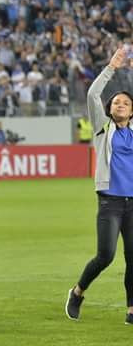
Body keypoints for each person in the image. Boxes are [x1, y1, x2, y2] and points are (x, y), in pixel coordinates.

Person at [66, 47, 133, 324]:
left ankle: (131, 309)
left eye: (125, 103)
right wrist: (111, 68)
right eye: (116, 102)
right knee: (106, 255)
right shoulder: (102, 129)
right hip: (110, 202)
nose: (119, 105)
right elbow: (93, 94)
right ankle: (78, 292)